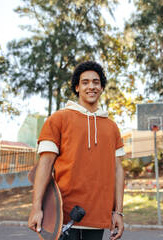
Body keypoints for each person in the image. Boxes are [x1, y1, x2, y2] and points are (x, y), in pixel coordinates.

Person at [28, 61, 125, 240]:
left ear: (102, 87)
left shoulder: (112, 127)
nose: (91, 86)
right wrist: (37, 207)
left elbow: (118, 170)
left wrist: (118, 212)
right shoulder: (59, 119)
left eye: (96, 82)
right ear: (77, 87)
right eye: (85, 82)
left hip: (98, 217)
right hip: (63, 216)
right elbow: (45, 164)